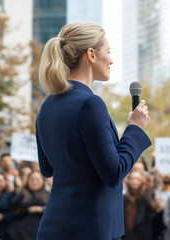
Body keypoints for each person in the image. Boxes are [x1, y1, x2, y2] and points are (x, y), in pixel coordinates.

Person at [35, 22, 151, 240]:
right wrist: (135, 128)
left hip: (53, 228)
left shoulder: (46, 106)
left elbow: (47, 167)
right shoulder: (91, 104)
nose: (111, 59)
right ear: (91, 55)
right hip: (91, 229)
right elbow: (113, 172)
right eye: (108, 52)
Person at [13, 171, 49, 240]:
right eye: (32, 179)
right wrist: (28, 210)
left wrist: (41, 209)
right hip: (23, 232)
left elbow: (54, 211)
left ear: (42, 181)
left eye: (37, 179)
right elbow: (14, 211)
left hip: (41, 231)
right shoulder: (22, 194)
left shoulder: (48, 195)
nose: (34, 182)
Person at [123, 171, 155, 240]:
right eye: (132, 179)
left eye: (138, 179)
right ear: (129, 181)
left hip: (142, 236)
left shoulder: (145, 197)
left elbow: (153, 208)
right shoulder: (124, 198)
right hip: (126, 236)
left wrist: (147, 186)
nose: (135, 182)